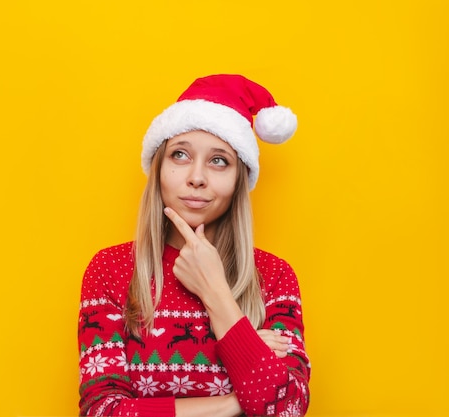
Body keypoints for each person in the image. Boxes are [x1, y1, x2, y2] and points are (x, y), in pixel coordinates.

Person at [77, 74, 310, 417]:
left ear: (238, 179)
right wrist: (236, 400)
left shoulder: (273, 276)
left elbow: (287, 408)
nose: (196, 177)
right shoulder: (110, 270)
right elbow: (103, 411)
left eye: (219, 160)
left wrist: (215, 291)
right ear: (158, 169)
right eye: (180, 155)